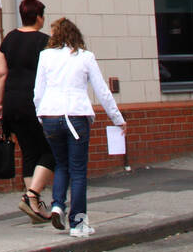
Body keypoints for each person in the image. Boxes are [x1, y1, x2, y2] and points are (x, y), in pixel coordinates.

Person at [34, 17, 126, 237]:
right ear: (76, 35)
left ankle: (57, 206)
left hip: (50, 115)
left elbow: (38, 91)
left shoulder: (45, 56)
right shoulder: (85, 57)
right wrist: (117, 118)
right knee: (78, 171)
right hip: (76, 116)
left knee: (61, 165)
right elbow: (102, 90)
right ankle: (77, 224)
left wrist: (42, 115)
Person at [0, 0, 54, 223]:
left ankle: (34, 208)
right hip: (36, 103)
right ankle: (32, 195)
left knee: (29, 153)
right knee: (52, 152)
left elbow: (3, 75)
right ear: (38, 17)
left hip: (12, 102)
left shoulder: (8, 39)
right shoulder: (46, 42)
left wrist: (0, 103)